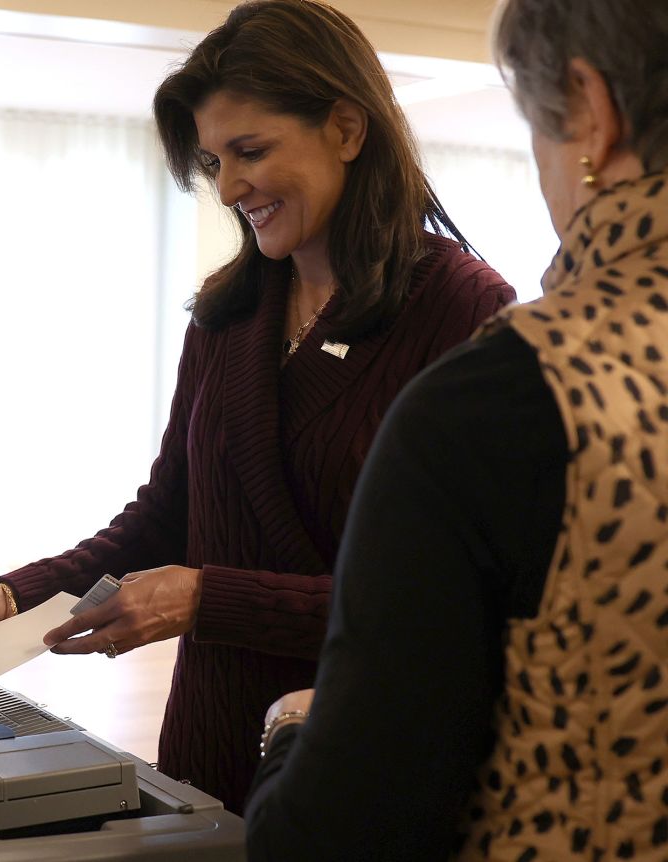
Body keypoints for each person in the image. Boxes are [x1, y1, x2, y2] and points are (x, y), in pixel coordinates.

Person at [0, 0, 517, 813]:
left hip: (357, 765)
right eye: (213, 161)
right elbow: (164, 518)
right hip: (207, 749)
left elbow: (453, 606)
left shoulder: (464, 310)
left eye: (251, 151)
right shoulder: (230, 311)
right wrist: (10, 596)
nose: (229, 188)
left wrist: (210, 599)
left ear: (346, 128)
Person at [244, 0, 668, 858]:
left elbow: (340, 835)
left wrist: (294, 729)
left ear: (591, 111)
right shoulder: (240, 312)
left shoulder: (508, 394)